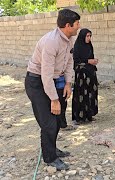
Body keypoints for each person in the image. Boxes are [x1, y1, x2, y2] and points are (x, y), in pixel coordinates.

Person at [25, 9, 80, 170]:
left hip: (55, 80)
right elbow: (45, 75)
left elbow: (69, 62)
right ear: (68, 25)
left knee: (57, 119)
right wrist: (54, 99)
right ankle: (50, 158)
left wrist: (68, 83)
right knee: (48, 121)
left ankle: (52, 148)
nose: (79, 27)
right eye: (77, 24)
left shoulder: (69, 40)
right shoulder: (51, 42)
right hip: (37, 82)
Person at [72, 28, 99, 124]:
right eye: (87, 36)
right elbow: (76, 61)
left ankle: (89, 115)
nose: (89, 38)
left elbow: (90, 57)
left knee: (91, 94)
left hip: (90, 73)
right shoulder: (77, 46)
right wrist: (88, 61)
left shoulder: (89, 46)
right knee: (81, 94)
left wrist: (93, 61)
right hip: (82, 76)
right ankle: (79, 117)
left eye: (90, 36)